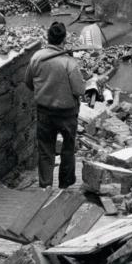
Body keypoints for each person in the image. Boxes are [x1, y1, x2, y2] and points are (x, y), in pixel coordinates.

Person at [25, 21, 86, 188]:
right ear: (64, 39)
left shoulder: (36, 58)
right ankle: (65, 184)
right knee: (68, 148)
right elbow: (80, 90)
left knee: (45, 149)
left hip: (44, 111)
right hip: (67, 113)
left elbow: (28, 82)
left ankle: (45, 185)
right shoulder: (69, 63)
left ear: (48, 38)